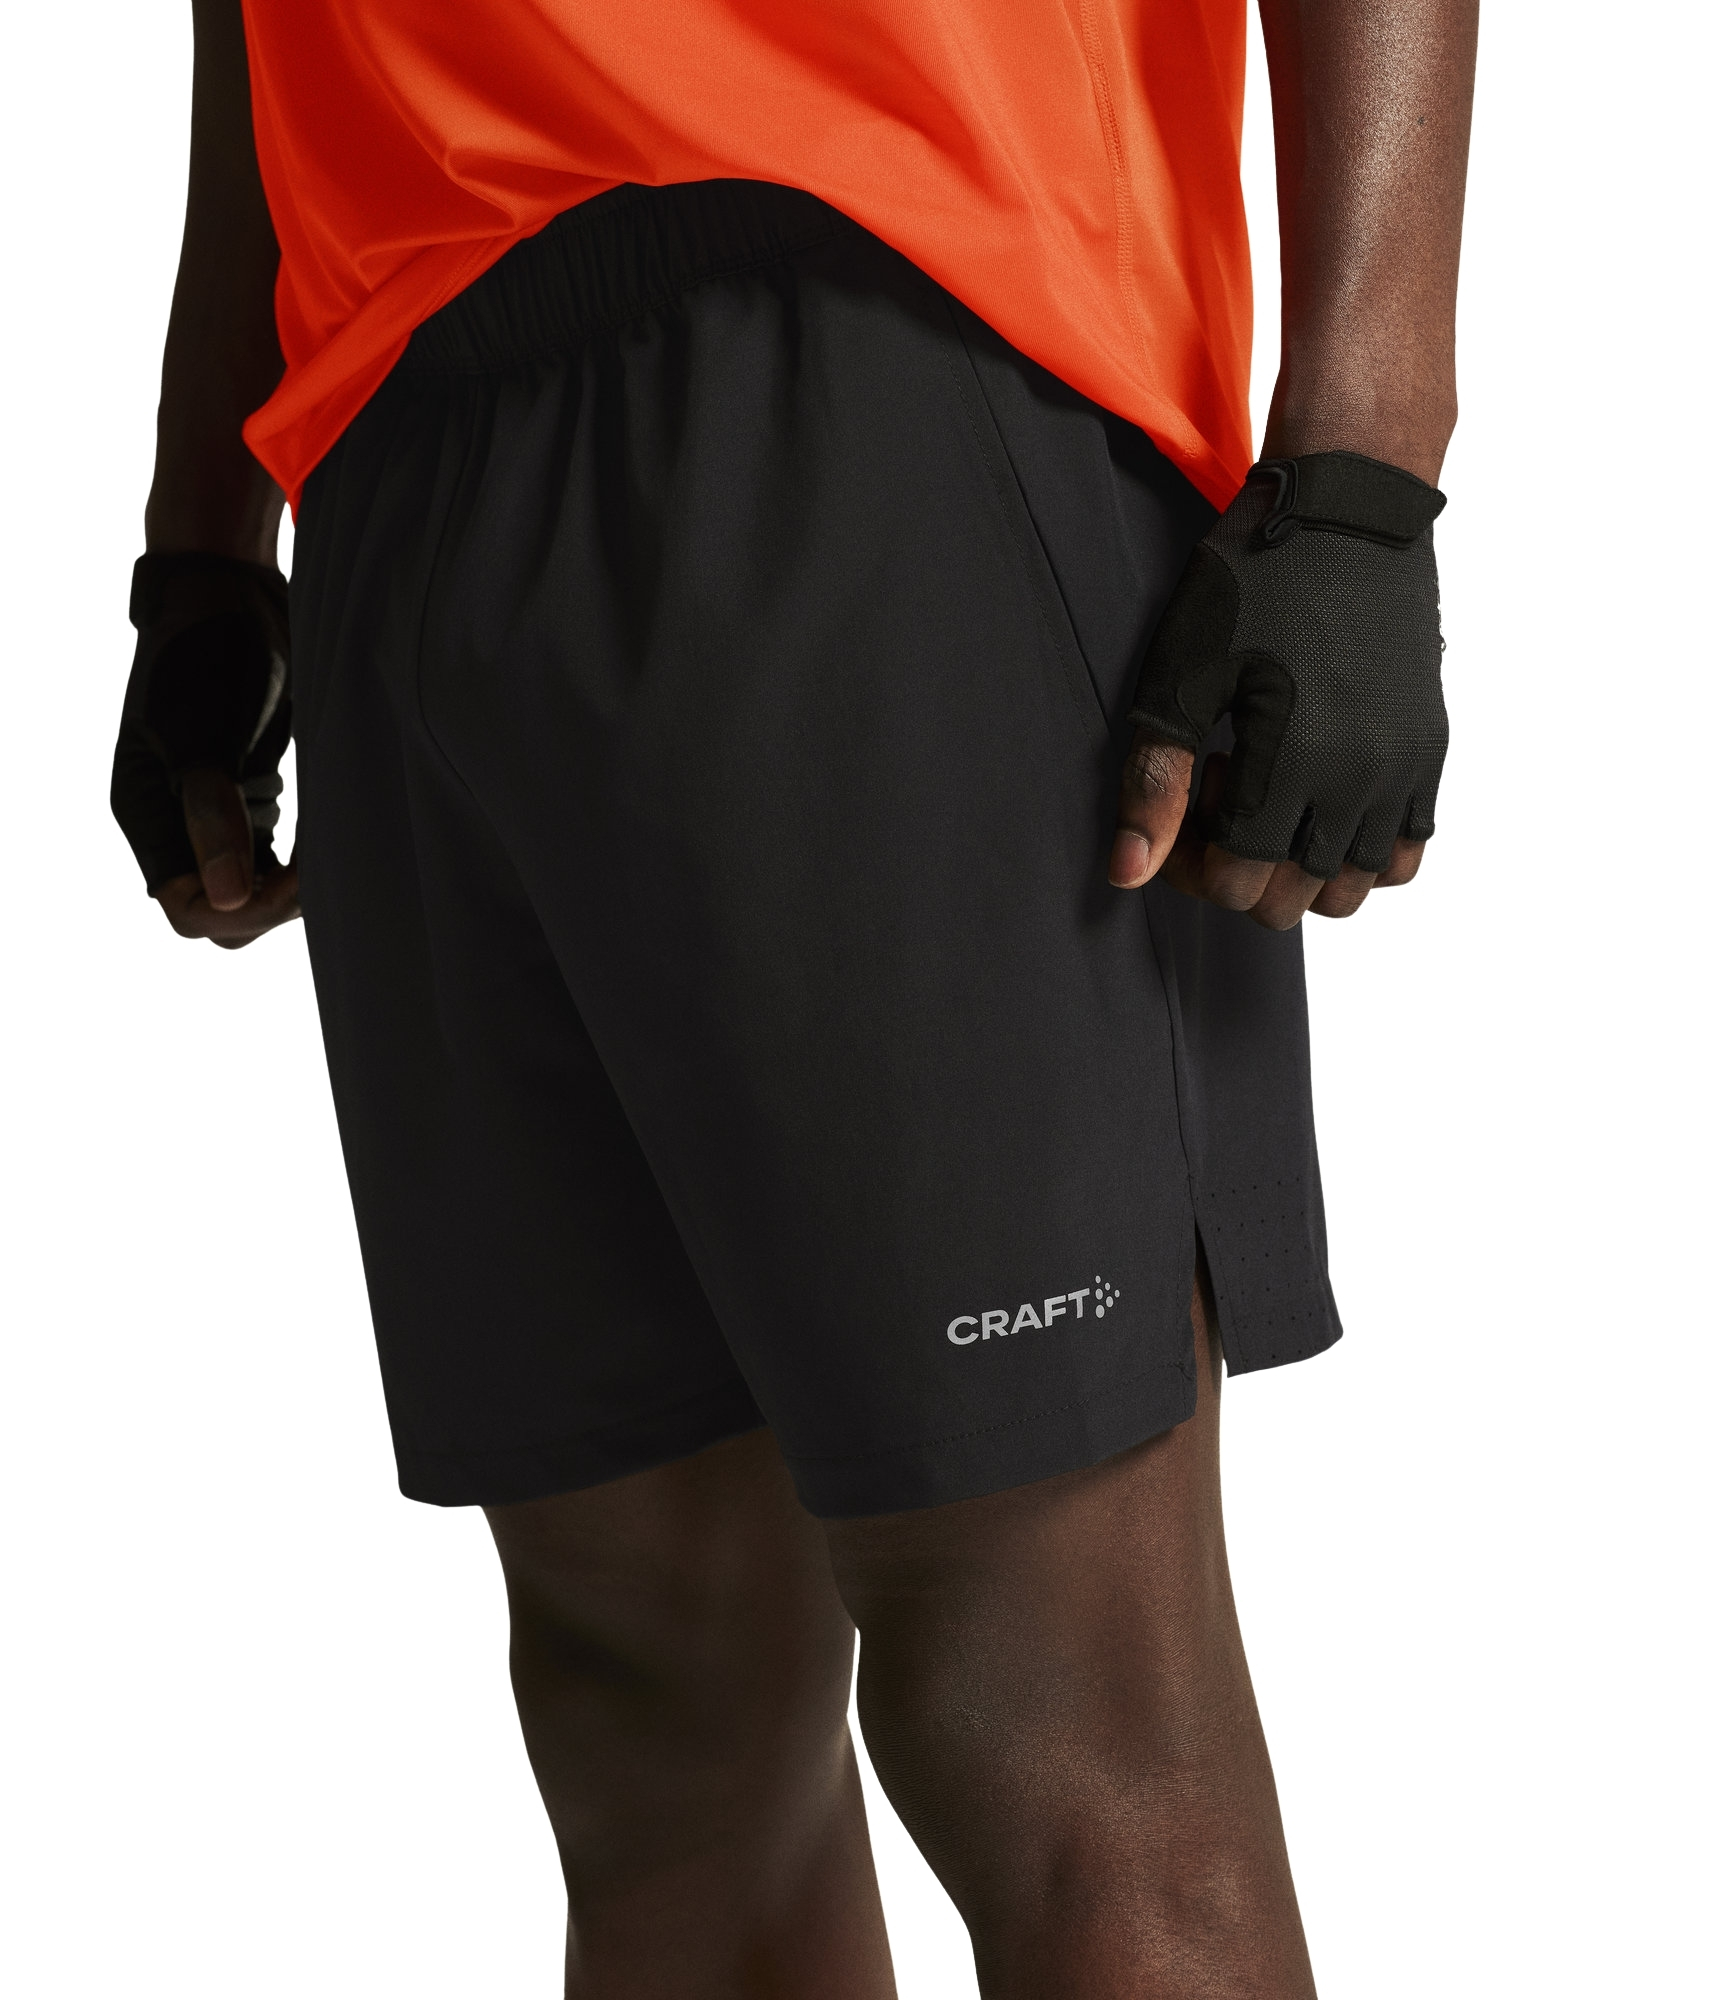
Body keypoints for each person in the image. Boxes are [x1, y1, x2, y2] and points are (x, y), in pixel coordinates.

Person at [112, 0, 1475, 1990]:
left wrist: (1363, 456)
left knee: (1050, 1722)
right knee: (651, 1723)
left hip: (888, 314)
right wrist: (205, 537)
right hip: (401, 437)